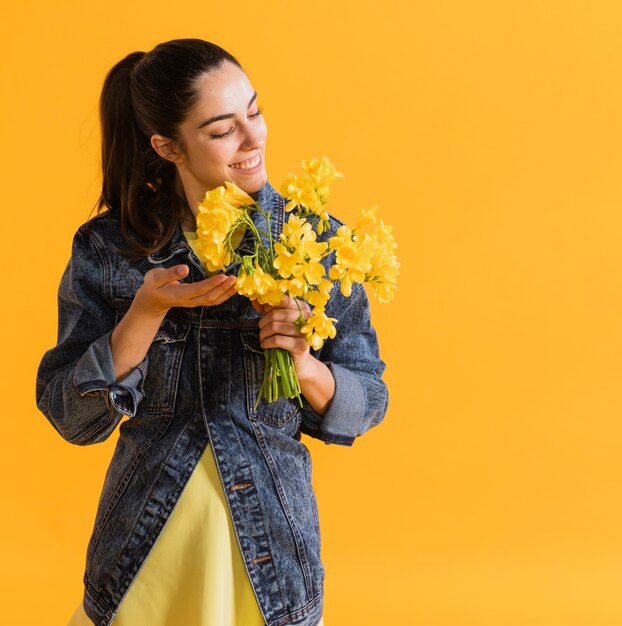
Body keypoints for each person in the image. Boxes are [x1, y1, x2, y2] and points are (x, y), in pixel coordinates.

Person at [36, 38, 389, 626]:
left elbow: (369, 400)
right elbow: (69, 416)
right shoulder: (111, 252)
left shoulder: (318, 240)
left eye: (254, 111)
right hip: (143, 554)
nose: (253, 140)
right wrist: (143, 315)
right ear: (167, 146)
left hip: (272, 557)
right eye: (223, 129)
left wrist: (304, 362)